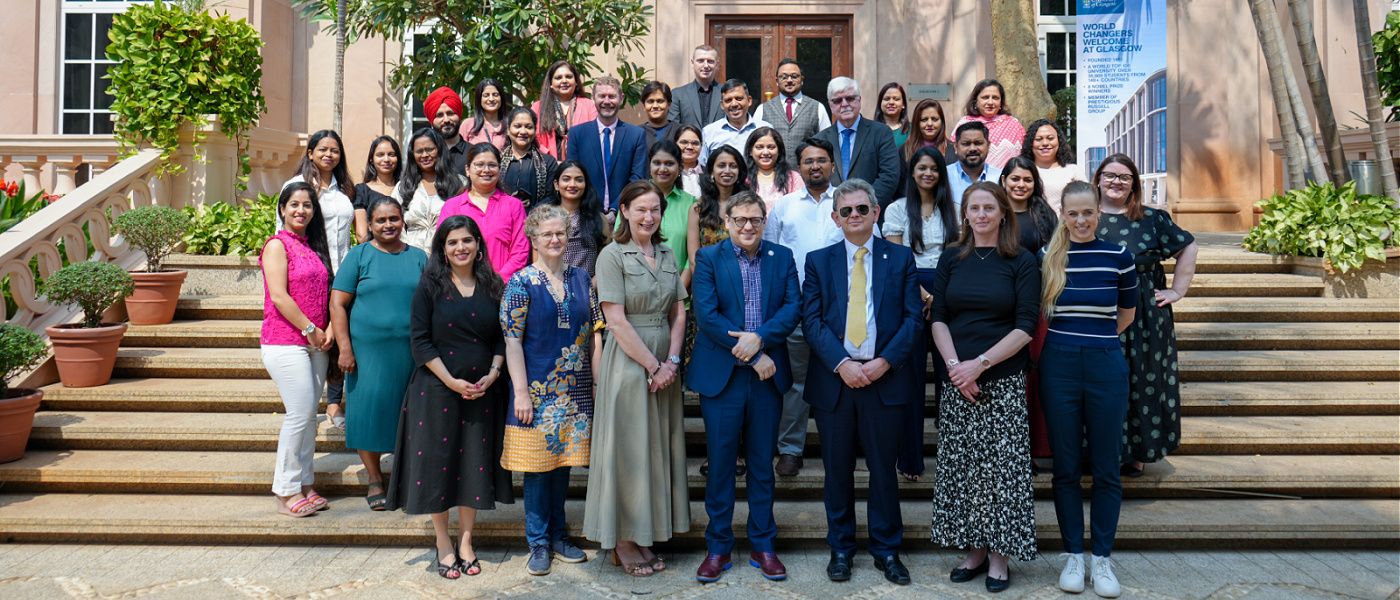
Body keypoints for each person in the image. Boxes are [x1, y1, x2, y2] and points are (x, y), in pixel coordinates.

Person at [802, 179, 920, 586]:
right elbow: (812, 321)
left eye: (861, 209)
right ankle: (841, 548)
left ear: (876, 211)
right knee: (836, 471)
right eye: (846, 211)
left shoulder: (901, 258)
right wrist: (841, 363)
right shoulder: (818, 261)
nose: (854, 216)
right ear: (836, 218)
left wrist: (885, 361)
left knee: (883, 471)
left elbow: (912, 319)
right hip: (837, 381)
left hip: (883, 379)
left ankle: (887, 549)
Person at [386, 215, 513, 579]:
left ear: (478, 244)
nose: (461, 248)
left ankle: (467, 541)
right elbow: (420, 341)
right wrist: (452, 380)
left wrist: (493, 373)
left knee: (474, 465)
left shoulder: (493, 284)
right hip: (436, 390)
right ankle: (443, 543)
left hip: (482, 392)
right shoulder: (430, 286)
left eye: (467, 241)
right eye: (453, 242)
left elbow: (502, 336)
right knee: (438, 466)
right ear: (442, 248)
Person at [929, 182, 1040, 593]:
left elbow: (1026, 325)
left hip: (1003, 380)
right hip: (958, 381)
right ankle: (974, 550)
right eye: (973, 208)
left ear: (1003, 213)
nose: (980, 214)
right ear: (966, 215)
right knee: (965, 471)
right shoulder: (951, 259)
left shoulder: (1021, 261)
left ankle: (999, 557)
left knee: (1002, 472)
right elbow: (938, 316)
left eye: (988, 208)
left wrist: (980, 365)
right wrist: (957, 368)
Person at [688, 191, 801, 584]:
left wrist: (761, 340)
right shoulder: (708, 258)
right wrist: (753, 355)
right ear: (727, 221)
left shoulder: (781, 258)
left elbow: (792, 308)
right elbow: (706, 314)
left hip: (767, 380)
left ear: (764, 220)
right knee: (720, 466)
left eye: (755, 219)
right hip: (724, 379)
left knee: (761, 467)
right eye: (740, 220)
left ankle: (763, 544)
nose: (748, 226)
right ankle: (717, 547)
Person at [584, 181, 690, 577]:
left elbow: (679, 312)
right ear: (624, 211)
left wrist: (672, 361)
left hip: (666, 362)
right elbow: (615, 319)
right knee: (628, 449)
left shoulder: (664, 253)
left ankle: (645, 532)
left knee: (655, 448)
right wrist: (652, 365)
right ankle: (623, 541)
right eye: (641, 209)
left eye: (655, 210)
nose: (649, 216)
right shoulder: (612, 255)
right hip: (630, 363)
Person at [1039, 181, 1136, 598]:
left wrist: (1096, 343)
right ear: (1062, 213)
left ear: (1099, 213)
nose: (1081, 220)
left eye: (1088, 213)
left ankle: (1102, 558)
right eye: (1073, 213)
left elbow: (1127, 314)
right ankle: (1073, 556)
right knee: (1064, 465)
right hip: (1058, 364)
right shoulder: (1049, 258)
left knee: (1106, 466)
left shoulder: (1120, 257)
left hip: (1104, 364)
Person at [502, 204, 604, 576]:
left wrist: (597, 382)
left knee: (563, 467)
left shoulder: (582, 279)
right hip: (537, 391)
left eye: (561, 233)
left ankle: (561, 536)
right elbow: (512, 341)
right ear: (533, 238)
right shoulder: (520, 282)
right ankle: (539, 543)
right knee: (536, 470)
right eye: (547, 234)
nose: (555, 239)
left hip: (575, 392)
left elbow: (596, 336)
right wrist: (521, 392)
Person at [1093, 154, 1198, 477]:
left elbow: (1188, 246)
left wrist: (1177, 291)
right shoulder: (1085, 216)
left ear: (1134, 185)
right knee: (1099, 383)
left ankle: (1136, 453)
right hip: (1097, 312)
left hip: (1144, 316)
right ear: (1097, 179)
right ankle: (1097, 449)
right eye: (1110, 175)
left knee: (1140, 379)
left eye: (1124, 177)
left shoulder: (1152, 218)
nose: (1116, 182)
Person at [329, 198, 427, 511]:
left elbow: (431, 302)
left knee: (409, 414)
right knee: (368, 414)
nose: (388, 225)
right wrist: (344, 347)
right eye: (381, 220)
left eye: (394, 219)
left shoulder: (419, 257)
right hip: (366, 352)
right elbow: (337, 304)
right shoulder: (359, 256)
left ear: (403, 222)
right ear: (369, 225)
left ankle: (406, 477)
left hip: (410, 352)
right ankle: (374, 477)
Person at [763, 137, 845, 477]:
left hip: (841, 307)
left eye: (822, 160)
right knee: (796, 382)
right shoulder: (784, 206)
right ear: (799, 167)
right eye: (808, 161)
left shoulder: (848, 202)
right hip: (796, 304)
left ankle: (839, 446)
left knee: (839, 374)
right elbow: (770, 255)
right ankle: (791, 449)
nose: (815, 166)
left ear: (831, 164)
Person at [881, 146, 959, 483]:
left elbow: (958, 257)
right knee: (909, 380)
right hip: (910, 294)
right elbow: (899, 260)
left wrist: (939, 296)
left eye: (934, 168)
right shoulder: (898, 209)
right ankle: (910, 459)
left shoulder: (954, 211)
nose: (927, 173)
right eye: (921, 168)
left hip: (949, 293)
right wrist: (923, 294)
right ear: (912, 172)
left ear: (941, 173)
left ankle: (954, 459)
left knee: (951, 379)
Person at [261, 182, 334, 518]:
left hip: (316, 343)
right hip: (285, 340)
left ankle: (305, 482)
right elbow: (279, 296)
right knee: (299, 414)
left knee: (309, 418)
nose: (300, 210)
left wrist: (327, 330)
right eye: (294, 205)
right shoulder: (277, 245)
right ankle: (286, 487)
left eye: (307, 205)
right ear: (282, 209)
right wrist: (309, 329)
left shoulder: (314, 248)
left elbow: (329, 294)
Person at [436, 143, 530, 280]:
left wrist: (499, 281)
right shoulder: (452, 206)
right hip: (461, 287)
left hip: (503, 287)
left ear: (499, 169)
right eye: (479, 165)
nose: (486, 170)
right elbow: (441, 248)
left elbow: (521, 251)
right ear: (467, 170)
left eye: (492, 165)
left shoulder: (514, 206)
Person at [566, 75, 648, 214]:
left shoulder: (636, 135)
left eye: (612, 96)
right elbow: (572, 175)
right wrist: (594, 212)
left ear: (621, 98)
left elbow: (637, 178)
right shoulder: (577, 134)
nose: (607, 101)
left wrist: (615, 209)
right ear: (593, 98)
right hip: (586, 214)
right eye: (602, 96)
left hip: (624, 215)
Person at [815, 77, 901, 209]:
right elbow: (817, 179)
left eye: (850, 98)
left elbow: (889, 176)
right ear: (830, 105)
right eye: (837, 100)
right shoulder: (820, 140)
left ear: (859, 100)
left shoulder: (881, 133)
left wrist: (864, 207)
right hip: (831, 216)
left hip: (871, 216)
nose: (844, 104)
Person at [283, 129, 355, 272]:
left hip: (343, 271)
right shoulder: (296, 186)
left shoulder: (345, 189)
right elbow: (282, 230)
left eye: (334, 151)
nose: (328, 154)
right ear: (310, 154)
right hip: (310, 269)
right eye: (323, 149)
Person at [753, 59, 831, 169]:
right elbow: (755, 146)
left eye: (794, 76)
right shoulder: (762, 109)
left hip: (807, 177)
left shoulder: (818, 108)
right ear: (777, 81)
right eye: (784, 77)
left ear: (802, 80)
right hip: (773, 176)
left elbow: (826, 145)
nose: (789, 80)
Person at [687, 145, 750, 277]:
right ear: (711, 171)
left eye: (733, 166)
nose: (727, 170)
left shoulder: (749, 206)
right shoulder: (698, 208)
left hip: (743, 279)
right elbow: (694, 259)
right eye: (721, 165)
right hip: (708, 281)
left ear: (739, 172)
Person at [537, 160, 608, 277]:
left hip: (589, 288)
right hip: (551, 288)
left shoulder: (598, 219)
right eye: (566, 179)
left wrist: (589, 286)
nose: (572, 184)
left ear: (585, 184)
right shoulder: (544, 218)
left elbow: (606, 262)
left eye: (579, 180)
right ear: (556, 184)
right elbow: (537, 261)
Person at [399, 127, 466, 250]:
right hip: (411, 256)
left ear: (440, 150)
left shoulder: (459, 183)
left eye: (429, 149)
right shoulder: (403, 186)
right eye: (419, 151)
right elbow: (395, 222)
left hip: (448, 256)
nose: (425, 155)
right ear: (412, 154)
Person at [648, 140, 697, 283]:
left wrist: (679, 292)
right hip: (637, 295)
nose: (662, 168)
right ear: (649, 165)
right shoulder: (633, 198)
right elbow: (620, 242)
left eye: (669, 163)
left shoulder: (690, 203)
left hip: (680, 294)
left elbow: (692, 256)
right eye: (657, 163)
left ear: (680, 168)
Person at [533, 60, 598, 159]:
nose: (564, 81)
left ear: (576, 82)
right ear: (550, 83)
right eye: (558, 78)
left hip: (581, 164)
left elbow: (595, 136)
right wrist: (550, 160)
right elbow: (533, 137)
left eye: (568, 77)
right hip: (548, 165)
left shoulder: (589, 105)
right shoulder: (538, 107)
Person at [952, 79, 1024, 169]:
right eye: (985, 97)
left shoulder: (1013, 124)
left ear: (1001, 102)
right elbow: (953, 157)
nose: (990, 102)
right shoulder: (964, 124)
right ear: (975, 101)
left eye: (995, 98)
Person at [700, 79, 770, 166]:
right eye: (728, 100)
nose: (734, 104)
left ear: (749, 100)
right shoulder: (709, 132)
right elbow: (702, 167)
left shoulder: (765, 129)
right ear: (722, 105)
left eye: (739, 98)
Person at [500, 107, 558, 210]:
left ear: (535, 130)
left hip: (536, 221)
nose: (523, 131)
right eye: (517, 126)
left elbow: (551, 197)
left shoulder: (548, 162)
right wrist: (511, 203)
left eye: (528, 127)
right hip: (502, 219)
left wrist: (534, 209)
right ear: (508, 130)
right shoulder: (497, 161)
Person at [1021, 118, 1084, 212]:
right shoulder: (1023, 170)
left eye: (1050, 138)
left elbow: (1087, 200)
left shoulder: (1073, 171)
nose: (1045, 143)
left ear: (1059, 141)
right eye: (1038, 139)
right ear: (1030, 143)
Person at [1001, 156, 1059, 254]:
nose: (1021, 185)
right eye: (1015, 179)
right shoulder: (993, 214)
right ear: (1003, 180)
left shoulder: (1045, 215)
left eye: (1027, 180)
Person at [352, 135, 401, 245]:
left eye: (391, 154)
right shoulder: (362, 191)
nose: (386, 159)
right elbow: (362, 236)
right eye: (380, 155)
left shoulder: (406, 188)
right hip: (375, 253)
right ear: (371, 160)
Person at [744, 127, 802, 212]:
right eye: (759, 147)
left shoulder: (793, 178)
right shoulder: (744, 178)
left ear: (779, 151)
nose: (766, 152)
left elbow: (800, 208)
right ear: (750, 151)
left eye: (771, 147)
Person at [668, 45, 722, 129]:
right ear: (692, 63)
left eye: (710, 61)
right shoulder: (677, 95)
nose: (706, 65)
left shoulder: (726, 93)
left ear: (717, 65)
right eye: (700, 61)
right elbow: (673, 129)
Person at [948, 121, 1003, 202]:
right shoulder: (945, 176)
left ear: (988, 146)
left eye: (978, 143)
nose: (972, 148)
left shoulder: (999, 178)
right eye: (966, 144)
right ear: (956, 147)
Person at [424, 86, 471, 176]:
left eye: (450, 113)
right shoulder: (424, 155)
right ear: (432, 120)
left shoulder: (473, 153)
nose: (446, 120)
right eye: (440, 115)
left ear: (459, 116)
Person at [903, 98, 957, 166]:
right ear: (916, 123)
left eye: (934, 119)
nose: (930, 124)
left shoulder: (954, 149)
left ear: (942, 122)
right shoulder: (905, 150)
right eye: (924, 120)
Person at [466, 79, 510, 150]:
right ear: (479, 99)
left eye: (495, 95)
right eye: (486, 95)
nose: (491, 99)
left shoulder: (510, 124)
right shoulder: (468, 125)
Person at [639, 80, 678, 149]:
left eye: (660, 101)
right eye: (650, 101)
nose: (655, 106)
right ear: (644, 105)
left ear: (669, 104)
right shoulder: (636, 133)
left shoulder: (679, 131)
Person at [874, 82, 911, 148]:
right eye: (887, 99)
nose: (891, 102)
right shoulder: (871, 130)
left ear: (903, 104)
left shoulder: (912, 130)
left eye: (896, 99)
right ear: (880, 103)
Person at [673, 124, 705, 197]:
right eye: (684, 142)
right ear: (675, 144)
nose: (689, 147)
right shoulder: (669, 174)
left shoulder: (709, 174)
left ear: (701, 146)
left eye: (695, 143)